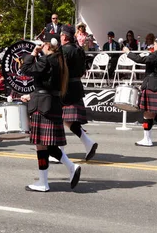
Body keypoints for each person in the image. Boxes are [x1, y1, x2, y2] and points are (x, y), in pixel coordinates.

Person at [20, 31, 81, 192]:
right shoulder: (59, 61)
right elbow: (47, 85)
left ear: (47, 45)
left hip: (42, 105)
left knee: (41, 145)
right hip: (51, 103)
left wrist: (33, 53)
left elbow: (25, 69)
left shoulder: (47, 60)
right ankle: (69, 168)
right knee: (47, 144)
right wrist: (31, 95)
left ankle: (44, 182)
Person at [124, 37, 157, 147]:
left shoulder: (156, 55)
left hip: (153, 86)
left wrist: (128, 53)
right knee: (155, 113)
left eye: (154, 44)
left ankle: (147, 139)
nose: (153, 46)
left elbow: (141, 60)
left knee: (148, 113)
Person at [56, 25, 98, 161]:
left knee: (59, 118)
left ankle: (59, 153)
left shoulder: (63, 50)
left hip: (65, 88)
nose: (60, 37)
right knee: (67, 121)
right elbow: (82, 71)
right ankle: (88, 143)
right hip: (76, 86)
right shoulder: (78, 49)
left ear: (64, 37)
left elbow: (59, 70)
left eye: (61, 35)